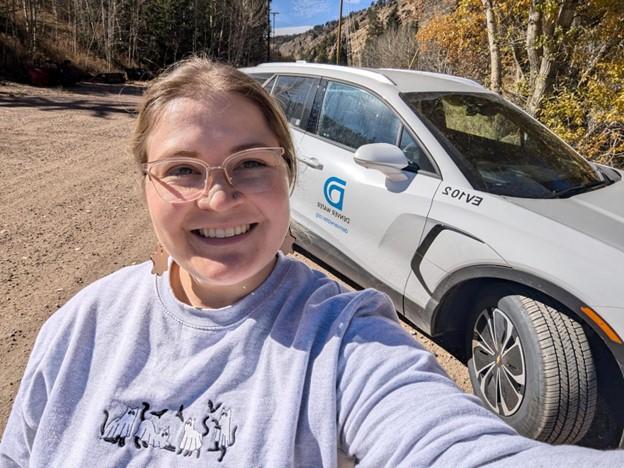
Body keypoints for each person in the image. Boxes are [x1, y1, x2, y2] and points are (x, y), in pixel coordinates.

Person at [1, 57, 623, 467]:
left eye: (250, 163)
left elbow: (454, 447)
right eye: (182, 170)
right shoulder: (81, 326)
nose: (218, 197)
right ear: (144, 185)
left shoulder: (342, 340)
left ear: (288, 177)